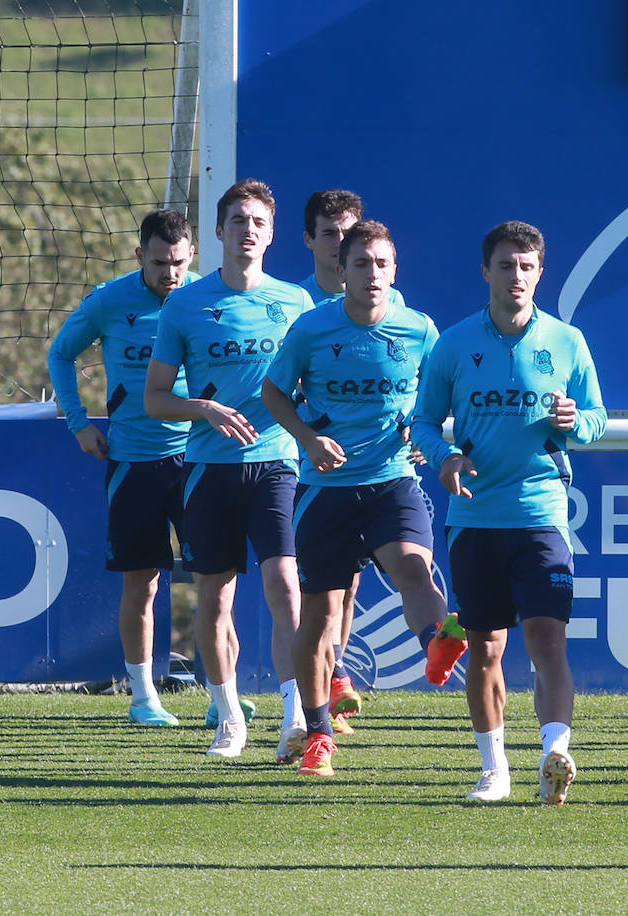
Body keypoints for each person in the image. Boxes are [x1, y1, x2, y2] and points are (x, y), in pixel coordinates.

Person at [263, 219, 466, 776]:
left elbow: (444, 394)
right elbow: (274, 391)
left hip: (392, 480)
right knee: (320, 616)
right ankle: (318, 735)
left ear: (394, 270)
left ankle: (437, 642)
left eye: (381, 263)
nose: (372, 273)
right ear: (341, 269)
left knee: (413, 569)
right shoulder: (311, 329)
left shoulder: (419, 329)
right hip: (325, 491)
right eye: (360, 263)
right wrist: (307, 438)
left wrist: (427, 432)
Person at [412, 220, 606, 804]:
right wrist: (445, 457)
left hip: (542, 515)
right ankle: (494, 770)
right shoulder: (453, 344)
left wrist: (577, 422)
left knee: (549, 641)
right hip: (474, 520)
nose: (516, 276)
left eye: (526, 266)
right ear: (485, 272)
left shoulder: (567, 341)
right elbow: (423, 422)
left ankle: (554, 752)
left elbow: (596, 419)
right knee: (486, 647)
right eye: (505, 265)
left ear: (540, 273)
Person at [145, 178, 313, 760]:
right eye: (238, 220)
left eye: (258, 222)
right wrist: (204, 409)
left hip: (277, 463)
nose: (248, 229)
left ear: (272, 234)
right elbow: (155, 399)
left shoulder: (297, 303)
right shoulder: (185, 304)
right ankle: (229, 716)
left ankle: (296, 716)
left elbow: (317, 386)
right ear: (219, 230)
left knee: (285, 585)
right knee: (214, 600)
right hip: (208, 469)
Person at [47, 209, 198, 727]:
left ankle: (219, 695)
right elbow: (61, 354)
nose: (170, 274)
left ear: (192, 255)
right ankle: (143, 696)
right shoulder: (109, 300)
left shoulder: (208, 296)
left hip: (201, 459)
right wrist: (78, 423)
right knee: (144, 581)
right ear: (139, 257)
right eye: (159, 263)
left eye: (178, 263)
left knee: (215, 578)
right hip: (134, 459)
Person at [296, 189, 372, 735]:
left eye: (349, 233)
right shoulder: (296, 304)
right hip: (307, 465)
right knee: (311, 594)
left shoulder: (384, 299)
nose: (340, 243)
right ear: (311, 240)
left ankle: (335, 672)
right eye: (330, 233)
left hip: (369, 467)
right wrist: (309, 433)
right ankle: (314, 701)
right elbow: (278, 385)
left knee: (349, 585)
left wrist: (415, 429)